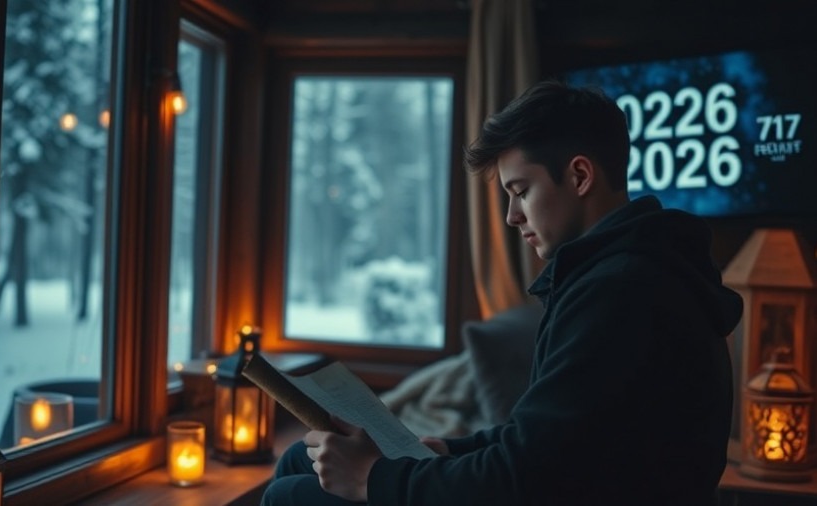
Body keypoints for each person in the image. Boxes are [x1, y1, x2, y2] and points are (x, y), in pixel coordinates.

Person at [260, 80, 743, 506]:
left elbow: (525, 477)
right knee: (302, 463)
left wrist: (377, 477)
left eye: (521, 190)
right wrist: (451, 451)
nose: (512, 216)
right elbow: (547, 440)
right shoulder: (618, 273)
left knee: (291, 492)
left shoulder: (621, 293)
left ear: (579, 176)